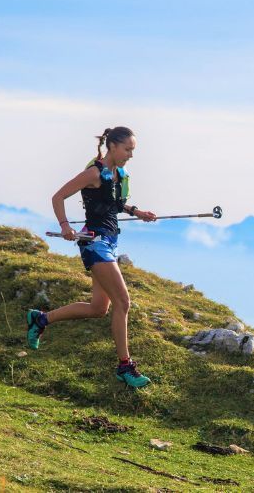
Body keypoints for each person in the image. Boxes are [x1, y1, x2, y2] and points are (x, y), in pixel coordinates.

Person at [25, 126, 157, 389]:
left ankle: (41, 319)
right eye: (128, 149)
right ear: (113, 147)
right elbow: (58, 196)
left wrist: (136, 211)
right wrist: (64, 226)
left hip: (110, 241)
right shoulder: (94, 172)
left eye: (133, 150)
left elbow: (114, 204)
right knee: (123, 302)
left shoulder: (118, 174)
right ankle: (125, 366)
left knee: (99, 309)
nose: (131, 155)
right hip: (94, 243)